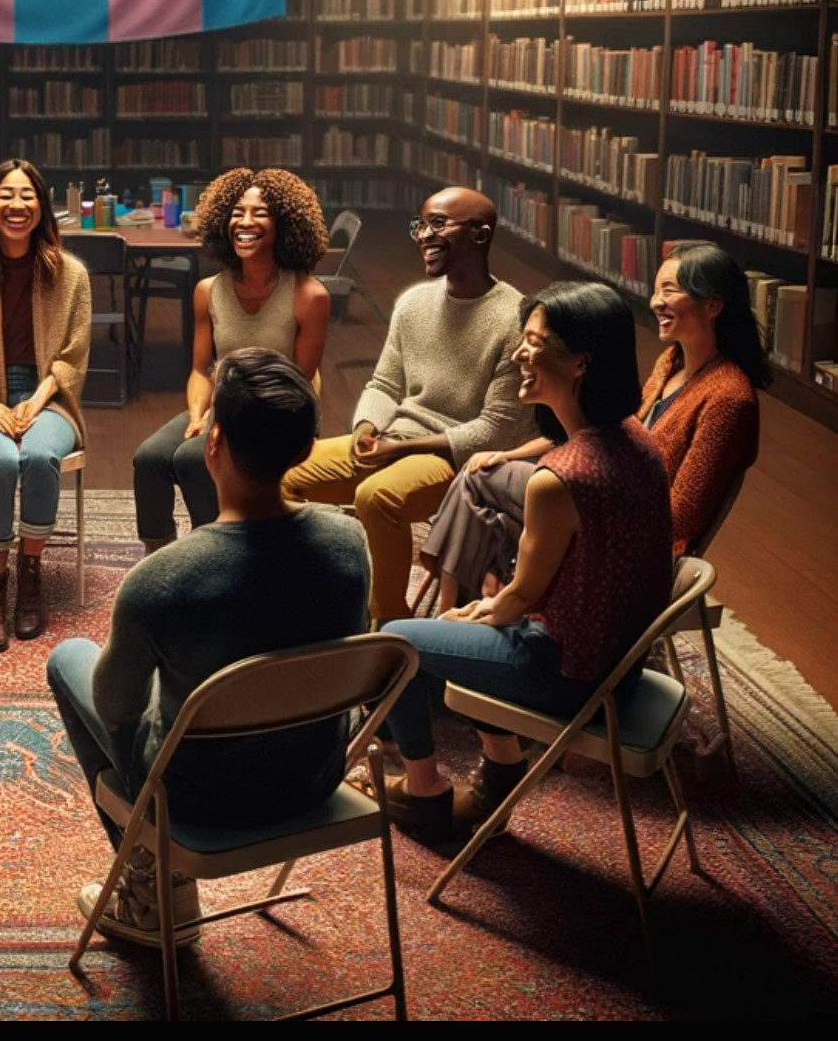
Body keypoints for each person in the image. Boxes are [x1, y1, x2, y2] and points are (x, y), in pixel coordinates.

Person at [48, 348, 368, 947]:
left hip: (198, 800)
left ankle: (148, 880)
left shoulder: (163, 579)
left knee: (69, 657)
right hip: (314, 778)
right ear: (303, 450)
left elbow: (116, 712)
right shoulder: (350, 543)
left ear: (212, 441)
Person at [379, 282, 673, 841]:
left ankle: (423, 791)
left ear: (580, 362)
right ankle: (501, 762)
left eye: (534, 343)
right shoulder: (636, 439)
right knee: (459, 629)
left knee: (400, 641)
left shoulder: (561, 478)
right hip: (621, 664)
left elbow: (521, 601)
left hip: (568, 672)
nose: (519, 354)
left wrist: (470, 612)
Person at [423, 240, 766, 610]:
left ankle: (449, 617)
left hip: (624, 529)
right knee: (482, 482)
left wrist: (589, 507)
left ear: (712, 305)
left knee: (483, 498)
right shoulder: (672, 361)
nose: (655, 302)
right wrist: (510, 454)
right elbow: (613, 428)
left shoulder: (729, 398)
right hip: (604, 488)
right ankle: (458, 616)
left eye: (669, 290)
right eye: (655, 290)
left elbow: (679, 520)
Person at [283, 187, 536, 625]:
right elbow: (385, 383)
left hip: (457, 458)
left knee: (377, 496)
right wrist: (366, 428)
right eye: (420, 225)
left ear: (480, 235)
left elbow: (496, 430)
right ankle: (313, 595)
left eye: (438, 224)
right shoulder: (414, 303)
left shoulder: (514, 319)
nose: (423, 236)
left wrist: (399, 449)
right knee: (280, 474)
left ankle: (389, 623)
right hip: (394, 437)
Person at [131, 168, 331, 553]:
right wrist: (196, 415)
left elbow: (298, 385)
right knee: (150, 459)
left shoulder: (309, 295)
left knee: (192, 458)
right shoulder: (208, 291)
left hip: (280, 414)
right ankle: (159, 559)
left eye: (261, 213)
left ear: (285, 225)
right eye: (238, 212)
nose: (245, 222)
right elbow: (200, 370)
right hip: (224, 405)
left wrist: (219, 419)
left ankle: (221, 557)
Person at [0, 158, 91, 651]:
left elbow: (73, 357)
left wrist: (39, 397)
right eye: (6, 195)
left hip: (50, 395)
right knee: (2, 458)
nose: (17, 205)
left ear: (42, 207)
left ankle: (30, 573)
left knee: (40, 455)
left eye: (27, 196)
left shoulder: (71, 275)